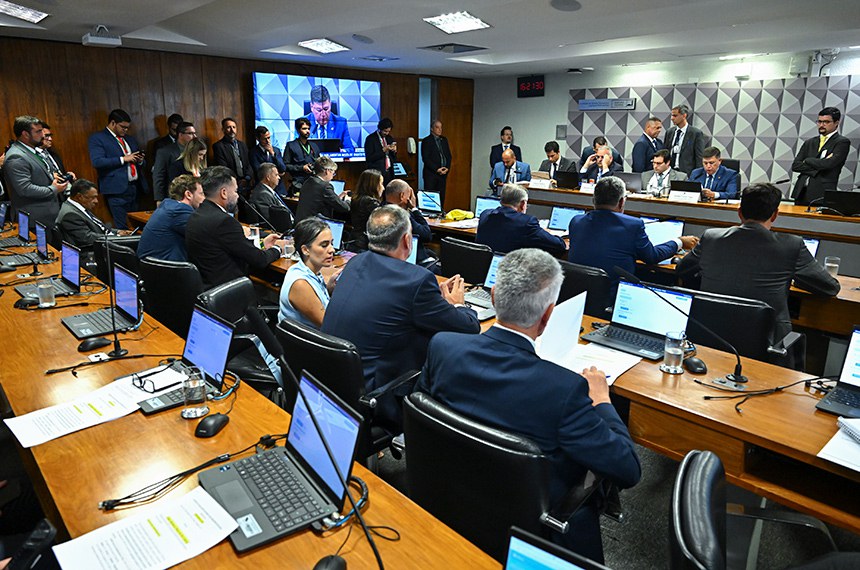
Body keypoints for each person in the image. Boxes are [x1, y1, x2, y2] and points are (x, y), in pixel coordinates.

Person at [418, 248, 641, 563]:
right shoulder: (564, 390)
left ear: (493, 297)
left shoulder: (442, 347)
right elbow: (628, 469)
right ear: (548, 316)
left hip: (449, 501)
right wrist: (603, 401)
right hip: (529, 526)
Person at [321, 205, 479, 429]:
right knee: (446, 350)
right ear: (407, 240)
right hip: (375, 395)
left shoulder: (355, 262)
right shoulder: (417, 281)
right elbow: (468, 328)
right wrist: (458, 305)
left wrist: (435, 302)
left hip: (330, 382)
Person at [677, 182, 839, 346]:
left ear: (739, 213)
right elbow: (830, 287)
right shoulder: (791, 245)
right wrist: (796, 279)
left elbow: (682, 270)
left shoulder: (711, 237)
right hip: (765, 342)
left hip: (708, 333)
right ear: (775, 215)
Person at [568, 176, 698, 302]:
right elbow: (652, 257)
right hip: (614, 298)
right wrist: (679, 242)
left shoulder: (576, 221)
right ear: (621, 202)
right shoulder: (632, 225)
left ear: (594, 200)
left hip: (577, 296)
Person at [185, 166, 286, 290]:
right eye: (236, 191)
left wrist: (262, 243)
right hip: (230, 292)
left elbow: (233, 247)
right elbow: (259, 260)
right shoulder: (224, 221)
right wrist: (278, 248)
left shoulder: (196, 215)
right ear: (224, 193)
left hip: (207, 289)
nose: (237, 196)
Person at [3, 116, 68, 230]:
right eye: (38, 132)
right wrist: (54, 189)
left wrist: (51, 177)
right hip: (35, 220)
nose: (43, 135)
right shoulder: (16, 156)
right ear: (25, 134)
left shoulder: (31, 151)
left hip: (46, 217)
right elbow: (25, 189)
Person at [87, 109, 147, 229]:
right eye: (123, 127)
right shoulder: (98, 138)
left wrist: (140, 160)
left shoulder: (130, 139)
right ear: (113, 123)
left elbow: (140, 161)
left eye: (127, 127)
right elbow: (97, 161)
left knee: (136, 224)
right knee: (122, 226)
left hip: (135, 188)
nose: (125, 130)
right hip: (116, 190)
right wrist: (123, 159)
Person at [278, 217, 339, 328]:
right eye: (324, 245)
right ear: (305, 250)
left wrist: (328, 290)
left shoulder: (304, 270)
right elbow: (329, 326)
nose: (332, 250)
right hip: (306, 344)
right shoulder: (300, 284)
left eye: (331, 243)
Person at [476, 183, 566, 256]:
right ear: (523, 204)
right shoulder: (526, 222)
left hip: (484, 268)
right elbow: (558, 245)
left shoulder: (485, 214)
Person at [791, 107, 851, 205]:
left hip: (821, 193)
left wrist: (807, 160)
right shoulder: (809, 142)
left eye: (826, 122)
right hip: (801, 192)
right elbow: (795, 165)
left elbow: (829, 164)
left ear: (836, 123)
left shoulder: (842, 142)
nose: (821, 125)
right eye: (819, 122)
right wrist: (819, 164)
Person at [137, 174, 205, 262]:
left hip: (150, 266)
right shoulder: (179, 211)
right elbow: (206, 234)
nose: (204, 198)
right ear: (188, 194)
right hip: (165, 270)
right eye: (202, 194)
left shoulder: (168, 205)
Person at [55, 179, 126, 251]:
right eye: (93, 197)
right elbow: (87, 238)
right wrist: (117, 237)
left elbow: (100, 228)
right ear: (79, 197)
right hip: (91, 252)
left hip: (102, 244)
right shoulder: (70, 214)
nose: (96, 201)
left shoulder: (78, 207)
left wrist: (117, 232)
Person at [383, 179, 434, 264]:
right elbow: (427, 235)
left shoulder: (379, 211)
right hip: (410, 261)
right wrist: (414, 209)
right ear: (402, 196)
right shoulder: (402, 215)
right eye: (409, 194)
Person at [152, 121, 197, 204]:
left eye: (195, 133)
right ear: (180, 135)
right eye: (190, 133)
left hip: (193, 196)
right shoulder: (165, 151)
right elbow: (159, 176)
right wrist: (159, 199)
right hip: (173, 196)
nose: (194, 136)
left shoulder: (196, 150)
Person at [295, 156, 350, 222]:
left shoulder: (308, 181)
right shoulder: (325, 187)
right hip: (315, 227)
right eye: (333, 173)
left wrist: (338, 198)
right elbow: (344, 208)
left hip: (301, 225)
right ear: (327, 171)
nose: (332, 177)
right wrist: (348, 200)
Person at [305, 85, 354, 151]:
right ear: (311, 107)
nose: (323, 114)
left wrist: (340, 152)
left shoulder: (341, 123)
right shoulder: (302, 123)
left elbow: (350, 149)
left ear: (330, 104)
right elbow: (296, 151)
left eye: (326, 109)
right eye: (319, 110)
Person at [663, 104, 706, 176]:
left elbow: (699, 157)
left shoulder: (696, 133)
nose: (672, 118)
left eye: (675, 115)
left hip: (687, 173)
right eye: (672, 115)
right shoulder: (669, 132)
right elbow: (665, 152)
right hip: (670, 172)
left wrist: (697, 175)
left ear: (684, 116)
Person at [212, 117, 252, 194]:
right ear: (223, 130)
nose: (232, 130)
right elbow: (223, 166)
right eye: (228, 127)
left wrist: (247, 178)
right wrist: (236, 180)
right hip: (230, 183)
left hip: (246, 182)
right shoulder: (218, 146)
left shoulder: (242, 145)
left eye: (234, 127)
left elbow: (248, 163)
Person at [348, 168, 383, 252]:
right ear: (374, 185)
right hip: (364, 245)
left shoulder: (356, 198)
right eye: (381, 184)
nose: (383, 188)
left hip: (354, 241)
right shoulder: (370, 202)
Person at [284, 117, 320, 195]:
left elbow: (319, 163)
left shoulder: (314, 146)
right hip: (298, 183)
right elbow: (286, 166)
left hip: (314, 183)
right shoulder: (291, 145)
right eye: (304, 129)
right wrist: (302, 168)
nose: (307, 131)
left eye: (308, 129)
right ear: (298, 130)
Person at [420, 120, 451, 207]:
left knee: (441, 197)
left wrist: (447, 168)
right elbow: (425, 158)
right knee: (431, 197)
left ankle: (440, 214)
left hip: (443, 174)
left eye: (441, 127)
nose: (440, 130)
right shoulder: (426, 141)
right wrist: (437, 169)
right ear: (431, 129)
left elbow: (448, 156)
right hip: (431, 174)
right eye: (437, 127)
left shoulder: (444, 140)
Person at [250, 126, 287, 197]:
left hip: (279, 188)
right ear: (258, 139)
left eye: (269, 138)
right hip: (264, 190)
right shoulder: (253, 152)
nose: (268, 141)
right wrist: (277, 174)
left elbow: (283, 168)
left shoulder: (276, 150)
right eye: (264, 139)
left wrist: (273, 154)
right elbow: (260, 172)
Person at [364, 118, 397, 184]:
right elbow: (369, 158)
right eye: (385, 131)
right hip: (376, 173)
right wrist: (383, 151)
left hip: (389, 172)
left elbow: (393, 157)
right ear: (379, 129)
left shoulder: (389, 138)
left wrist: (394, 151)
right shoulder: (370, 139)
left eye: (388, 131)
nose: (387, 133)